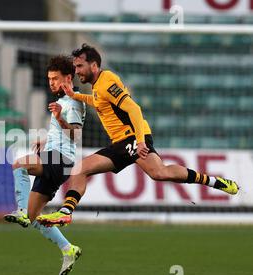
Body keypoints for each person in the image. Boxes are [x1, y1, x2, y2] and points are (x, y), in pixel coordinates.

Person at [37, 44, 239, 227]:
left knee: (159, 173)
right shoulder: (99, 85)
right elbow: (99, 101)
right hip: (120, 142)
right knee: (84, 170)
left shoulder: (107, 82)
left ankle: (214, 182)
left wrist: (140, 141)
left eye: (80, 66)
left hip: (131, 138)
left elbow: (134, 109)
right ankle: (65, 212)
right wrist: (76, 96)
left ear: (94, 65)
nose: (77, 70)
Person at [3, 55, 86, 275]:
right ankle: (68, 249)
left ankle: (19, 210)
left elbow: (75, 135)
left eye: (56, 78)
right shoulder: (62, 102)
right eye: (49, 78)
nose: (51, 82)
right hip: (54, 156)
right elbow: (60, 134)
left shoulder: (74, 101)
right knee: (35, 218)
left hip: (61, 159)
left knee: (19, 164)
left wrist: (59, 119)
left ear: (68, 78)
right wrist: (46, 139)